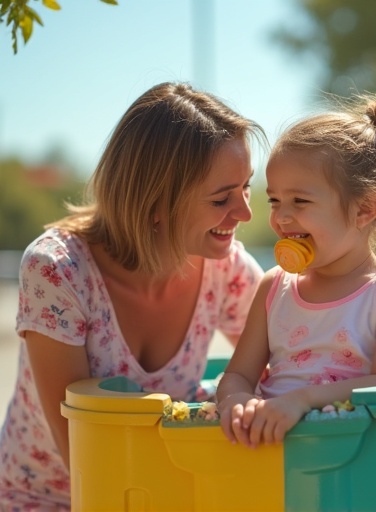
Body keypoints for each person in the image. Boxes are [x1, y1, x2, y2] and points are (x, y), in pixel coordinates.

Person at [0, 82, 265, 510]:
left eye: (246, 187)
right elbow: (84, 456)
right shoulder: (56, 269)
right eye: (221, 199)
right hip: (51, 497)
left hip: (162, 492)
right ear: (154, 202)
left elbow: (288, 365)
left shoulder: (226, 268)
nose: (245, 213)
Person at [217, 94, 376, 448]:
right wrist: (235, 400)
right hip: (271, 450)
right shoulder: (275, 286)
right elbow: (238, 374)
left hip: (353, 453)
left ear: (365, 209)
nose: (282, 217)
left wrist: (301, 401)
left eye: (300, 201)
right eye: (274, 200)